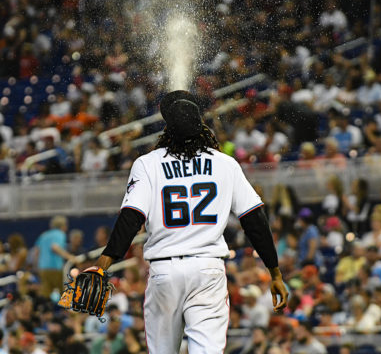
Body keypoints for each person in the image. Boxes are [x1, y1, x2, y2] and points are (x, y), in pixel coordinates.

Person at [87, 91, 288, 353]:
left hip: (164, 272)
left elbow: (131, 217)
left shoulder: (147, 164)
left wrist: (105, 262)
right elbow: (254, 219)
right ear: (201, 125)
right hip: (208, 270)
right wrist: (274, 271)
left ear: (168, 127)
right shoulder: (225, 164)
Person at [34, 215, 76, 297]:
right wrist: (69, 257)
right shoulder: (60, 234)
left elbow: (36, 252)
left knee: (46, 294)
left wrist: (37, 267)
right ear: (63, 226)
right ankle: (64, 309)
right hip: (55, 268)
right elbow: (55, 247)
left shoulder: (44, 235)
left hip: (43, 269)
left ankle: (46, 309)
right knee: (63, 292)